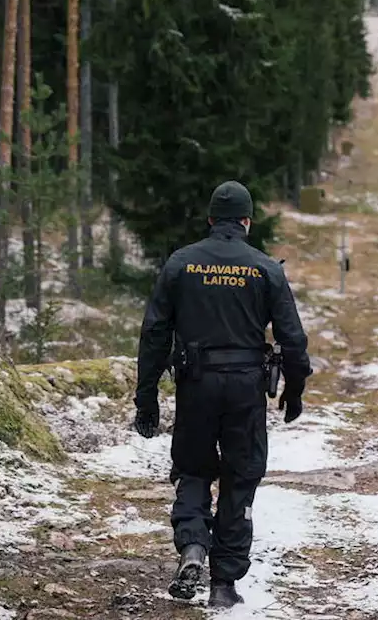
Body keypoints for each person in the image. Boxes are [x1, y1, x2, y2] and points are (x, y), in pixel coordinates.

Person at [132, 180, 311, 609]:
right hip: (246, 388)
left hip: (196, 385)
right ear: (247, 221)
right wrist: (295, 389)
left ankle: (193, 545)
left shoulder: (181, 264)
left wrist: (147, 396)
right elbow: (293, 339)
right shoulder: (266, 268)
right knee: (240, 477)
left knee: (193, 470)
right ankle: (224, 583)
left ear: (211, 219)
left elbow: (155, 333)